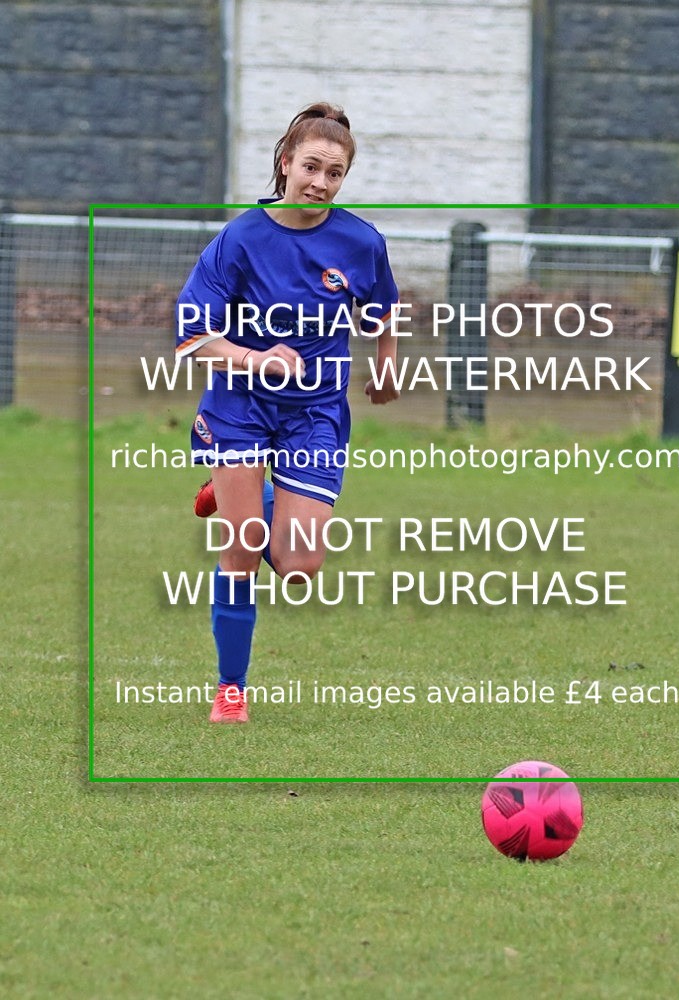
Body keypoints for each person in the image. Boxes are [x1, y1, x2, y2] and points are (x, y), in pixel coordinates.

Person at [175, 102, 400, 722]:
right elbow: (194, 338)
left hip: (315, 413)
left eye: (335, 173)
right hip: (239, 408)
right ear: (285, 163)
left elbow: (381, 310)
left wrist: (385, 363)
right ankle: (230, 692)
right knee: (244, 546)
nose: (320, 183)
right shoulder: (242, 238)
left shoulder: (360, 242)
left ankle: (235, 493)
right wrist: (258, 358)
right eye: (310, 167)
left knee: (298, 565)